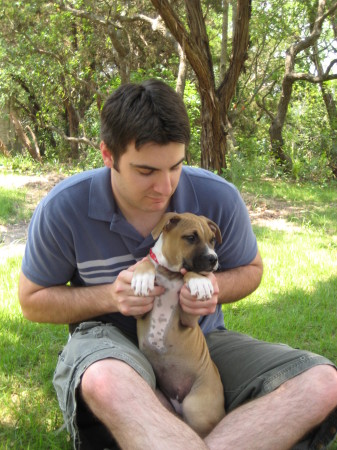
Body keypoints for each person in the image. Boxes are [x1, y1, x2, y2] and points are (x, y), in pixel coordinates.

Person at [19, 79, 337, 450]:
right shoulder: (64, 207)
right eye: (145, 171)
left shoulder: (217, 196)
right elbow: (31, 301)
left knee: (323, 383)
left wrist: (215, 289)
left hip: (199, 341)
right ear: (108, 155)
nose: (165, 185)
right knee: (105, 380)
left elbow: (251, 270)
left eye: (176, 166)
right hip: (109, 345)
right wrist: (111, 297)